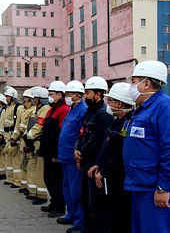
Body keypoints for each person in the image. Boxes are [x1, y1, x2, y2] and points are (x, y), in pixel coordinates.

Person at [123, 60, 170, 233]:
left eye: (134, 82)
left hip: (153, 187)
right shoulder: (143, 108)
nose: (131, 86)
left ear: (147, 83)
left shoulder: (163, 106)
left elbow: (168, 149)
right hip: (139, 184)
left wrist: (164, 187)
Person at [87, 82, 134, 233]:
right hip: (108, 174)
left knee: (117, 215)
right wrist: (98, 164)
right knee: (106, 212)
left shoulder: (127, 123)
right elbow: (107, 147)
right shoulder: (117, 121)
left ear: (120, 103)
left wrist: (104, 171)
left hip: (117, 178)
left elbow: (119, 153)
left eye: (111, 100)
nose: (108, 103)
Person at [74, 76, 114, 233]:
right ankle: (86, 227)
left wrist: (81, 153)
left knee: (95, 203)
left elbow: (96, 140)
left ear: (98, 94)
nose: (86, 96)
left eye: (88, 93)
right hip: (85, 162)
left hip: (94, 164)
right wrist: (77, 150)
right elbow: (81, 133)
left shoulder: (103, 115)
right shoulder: (88, 113)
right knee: (85, 200)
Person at [57, 80, 87, 233]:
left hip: (73, 157)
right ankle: (71, 214)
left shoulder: (83, 110)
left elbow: (81, 134)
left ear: (77, 95)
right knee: (67, 188)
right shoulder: (71, 109)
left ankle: (79, 221)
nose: (66, 97)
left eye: (68, 94)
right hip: (64, 156)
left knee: (76, 190)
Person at [39, 81, 70, 218]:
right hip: (48, 150)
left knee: (56, 179)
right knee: (48, 178)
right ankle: (53, 201)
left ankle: (59, 206)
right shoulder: (52, 109)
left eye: (51, 94)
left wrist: (57, 153)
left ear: (59, 94)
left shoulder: (64, 110)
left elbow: (61, 134)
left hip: (55, 152)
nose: (49, 97)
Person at [24, 87, 51, 205]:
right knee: (32, 167)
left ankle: (41, 195)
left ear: (40, 99)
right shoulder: (38, 109)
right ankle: (33, 191)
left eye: (35, 98)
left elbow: (38, 126)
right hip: (34, 143)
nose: (33, 100)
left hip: (39, 144)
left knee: (39, 170)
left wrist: (28, 136)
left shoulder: (44, 109)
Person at [0, 86, 19, 186]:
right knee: (8, 158)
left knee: (15, 159)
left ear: (13, 97)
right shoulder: (7, 108)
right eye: (5, 96)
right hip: (6, 135)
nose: (6, 98)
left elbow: (17, 124)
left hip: (12, 135)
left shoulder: (17, 108)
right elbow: (2, 123)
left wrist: (14, 137)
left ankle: (17, 181)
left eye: (8, 96)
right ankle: (10, 178)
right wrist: (1, 135)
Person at [17, 89, 36, 195]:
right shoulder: (23, 110)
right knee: (23, 163)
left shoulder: (33, 111)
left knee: (29, 165)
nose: (24, 100)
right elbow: (20, 126)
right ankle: (24, 185)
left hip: (28, 141)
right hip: (23, 140)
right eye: (23, 98)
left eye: (26, 98)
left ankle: (31, 188)